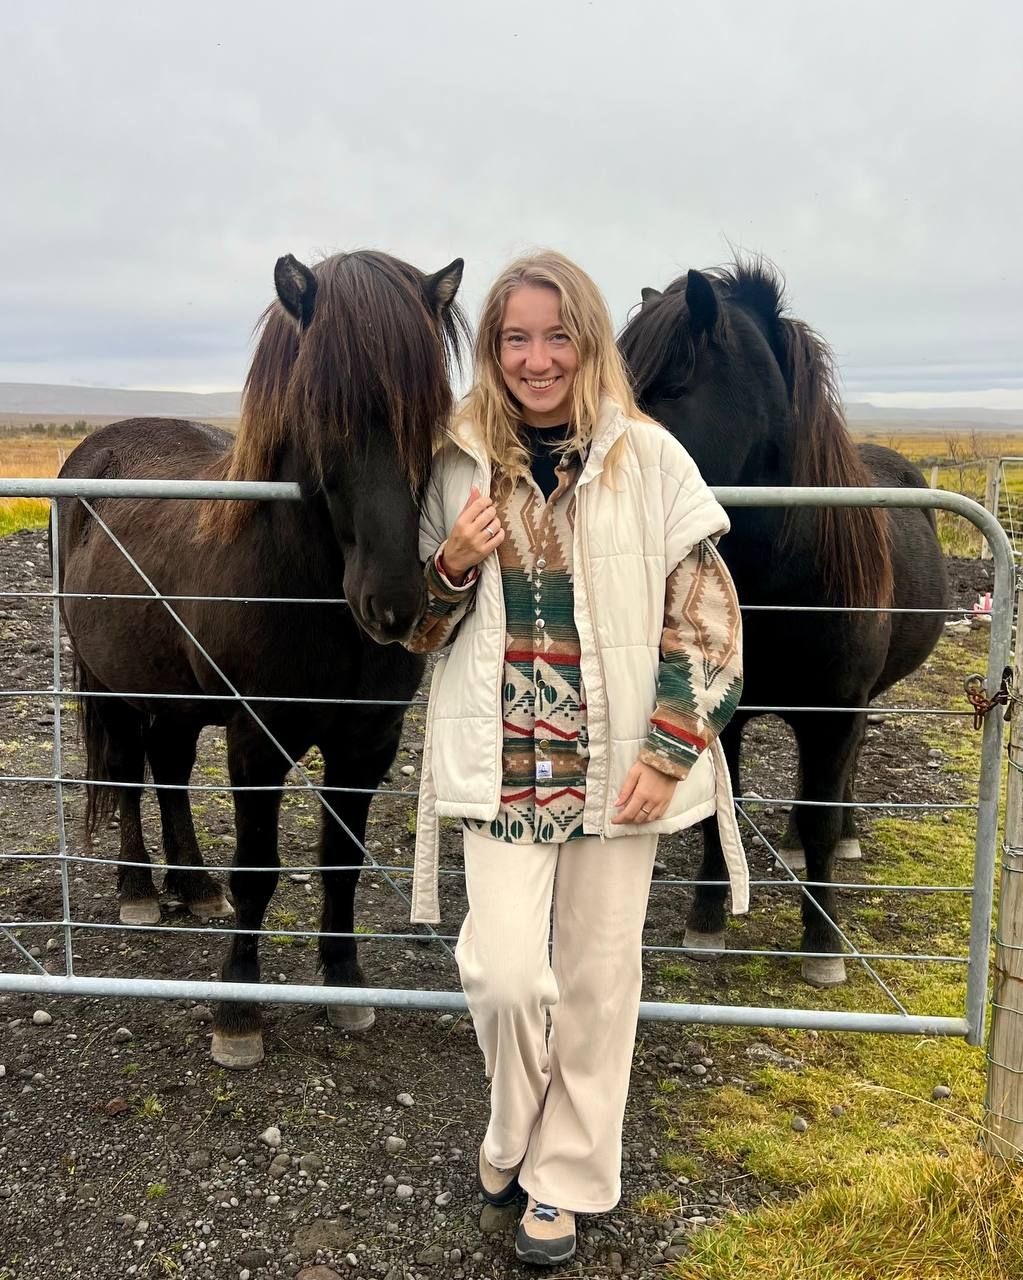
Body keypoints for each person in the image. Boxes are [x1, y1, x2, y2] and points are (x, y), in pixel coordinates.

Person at [404, 250, 747, 1267]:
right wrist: (452, 564)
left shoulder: (652, 459)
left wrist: (670, 749)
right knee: (503, 972)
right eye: (516, 338)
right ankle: (514, 1130)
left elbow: (708, 620)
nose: (537, 358)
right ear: (492, 348)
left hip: (619, 773)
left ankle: (564, 1177)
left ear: (588, 341)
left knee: (599, 982)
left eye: (557, 336)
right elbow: (413, 633)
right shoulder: (452, 462)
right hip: (500, 766)